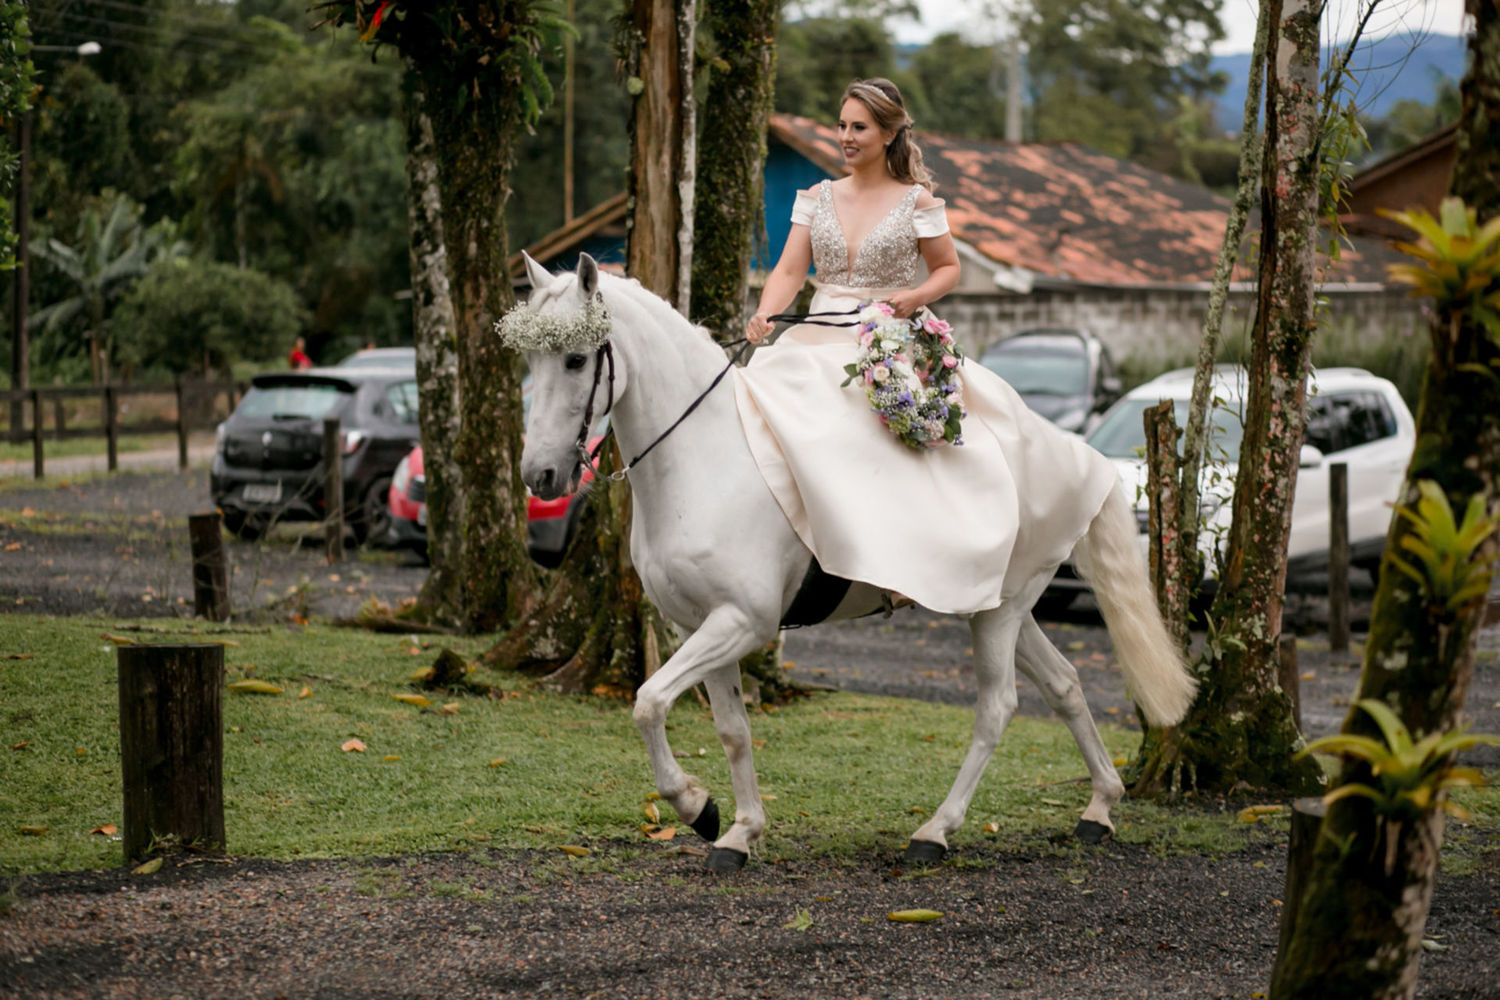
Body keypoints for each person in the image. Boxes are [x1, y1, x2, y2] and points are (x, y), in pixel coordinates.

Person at [732, 78, 1121, 615]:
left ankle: (906, 556)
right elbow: (790, 269)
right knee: (762, 412)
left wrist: (913, 297)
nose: (846, 136)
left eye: (859, 127)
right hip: (815, 333)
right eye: (841, 125)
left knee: (882, 429)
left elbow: (949, 268)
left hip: (885, 338)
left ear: (889, 132)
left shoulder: (917, 201)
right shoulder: (816, 197)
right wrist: (764, 314)